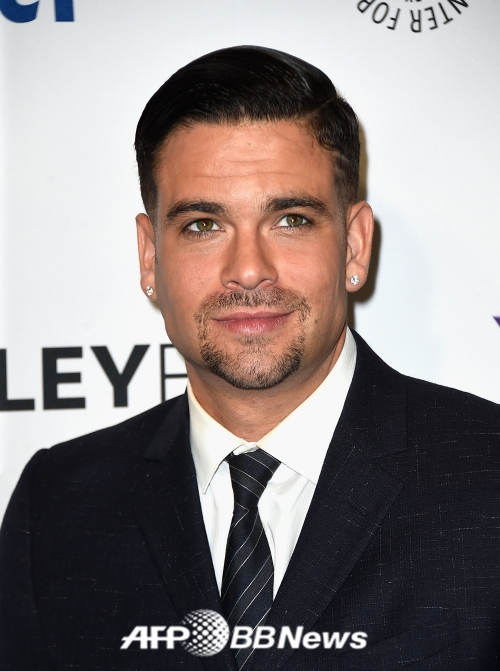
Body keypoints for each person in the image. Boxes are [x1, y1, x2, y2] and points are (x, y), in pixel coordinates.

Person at [0, 46, 498, 671]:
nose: (249, 270)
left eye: (291, 219)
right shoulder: (59, 507)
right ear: (150, 257)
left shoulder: (488, 478)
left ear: (354, 245)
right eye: (203, 225)